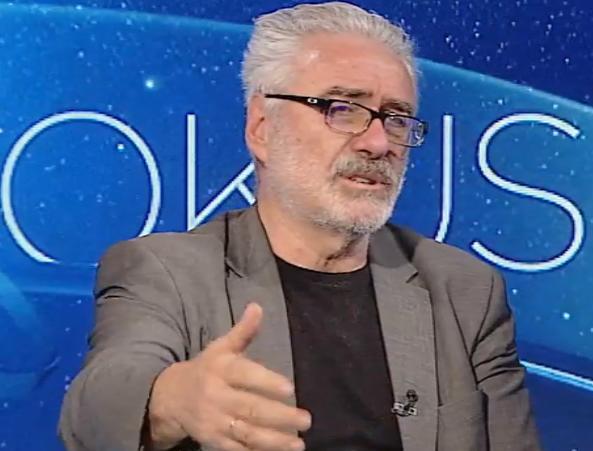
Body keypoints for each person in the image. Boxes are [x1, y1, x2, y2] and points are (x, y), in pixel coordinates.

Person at [59, 2, 541, 450]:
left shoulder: (465, 292)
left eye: (396, 118)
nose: (379, 143)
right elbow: (93, 411)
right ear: (262, 129)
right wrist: (170, 399)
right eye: (342, 108)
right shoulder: (168, 272)